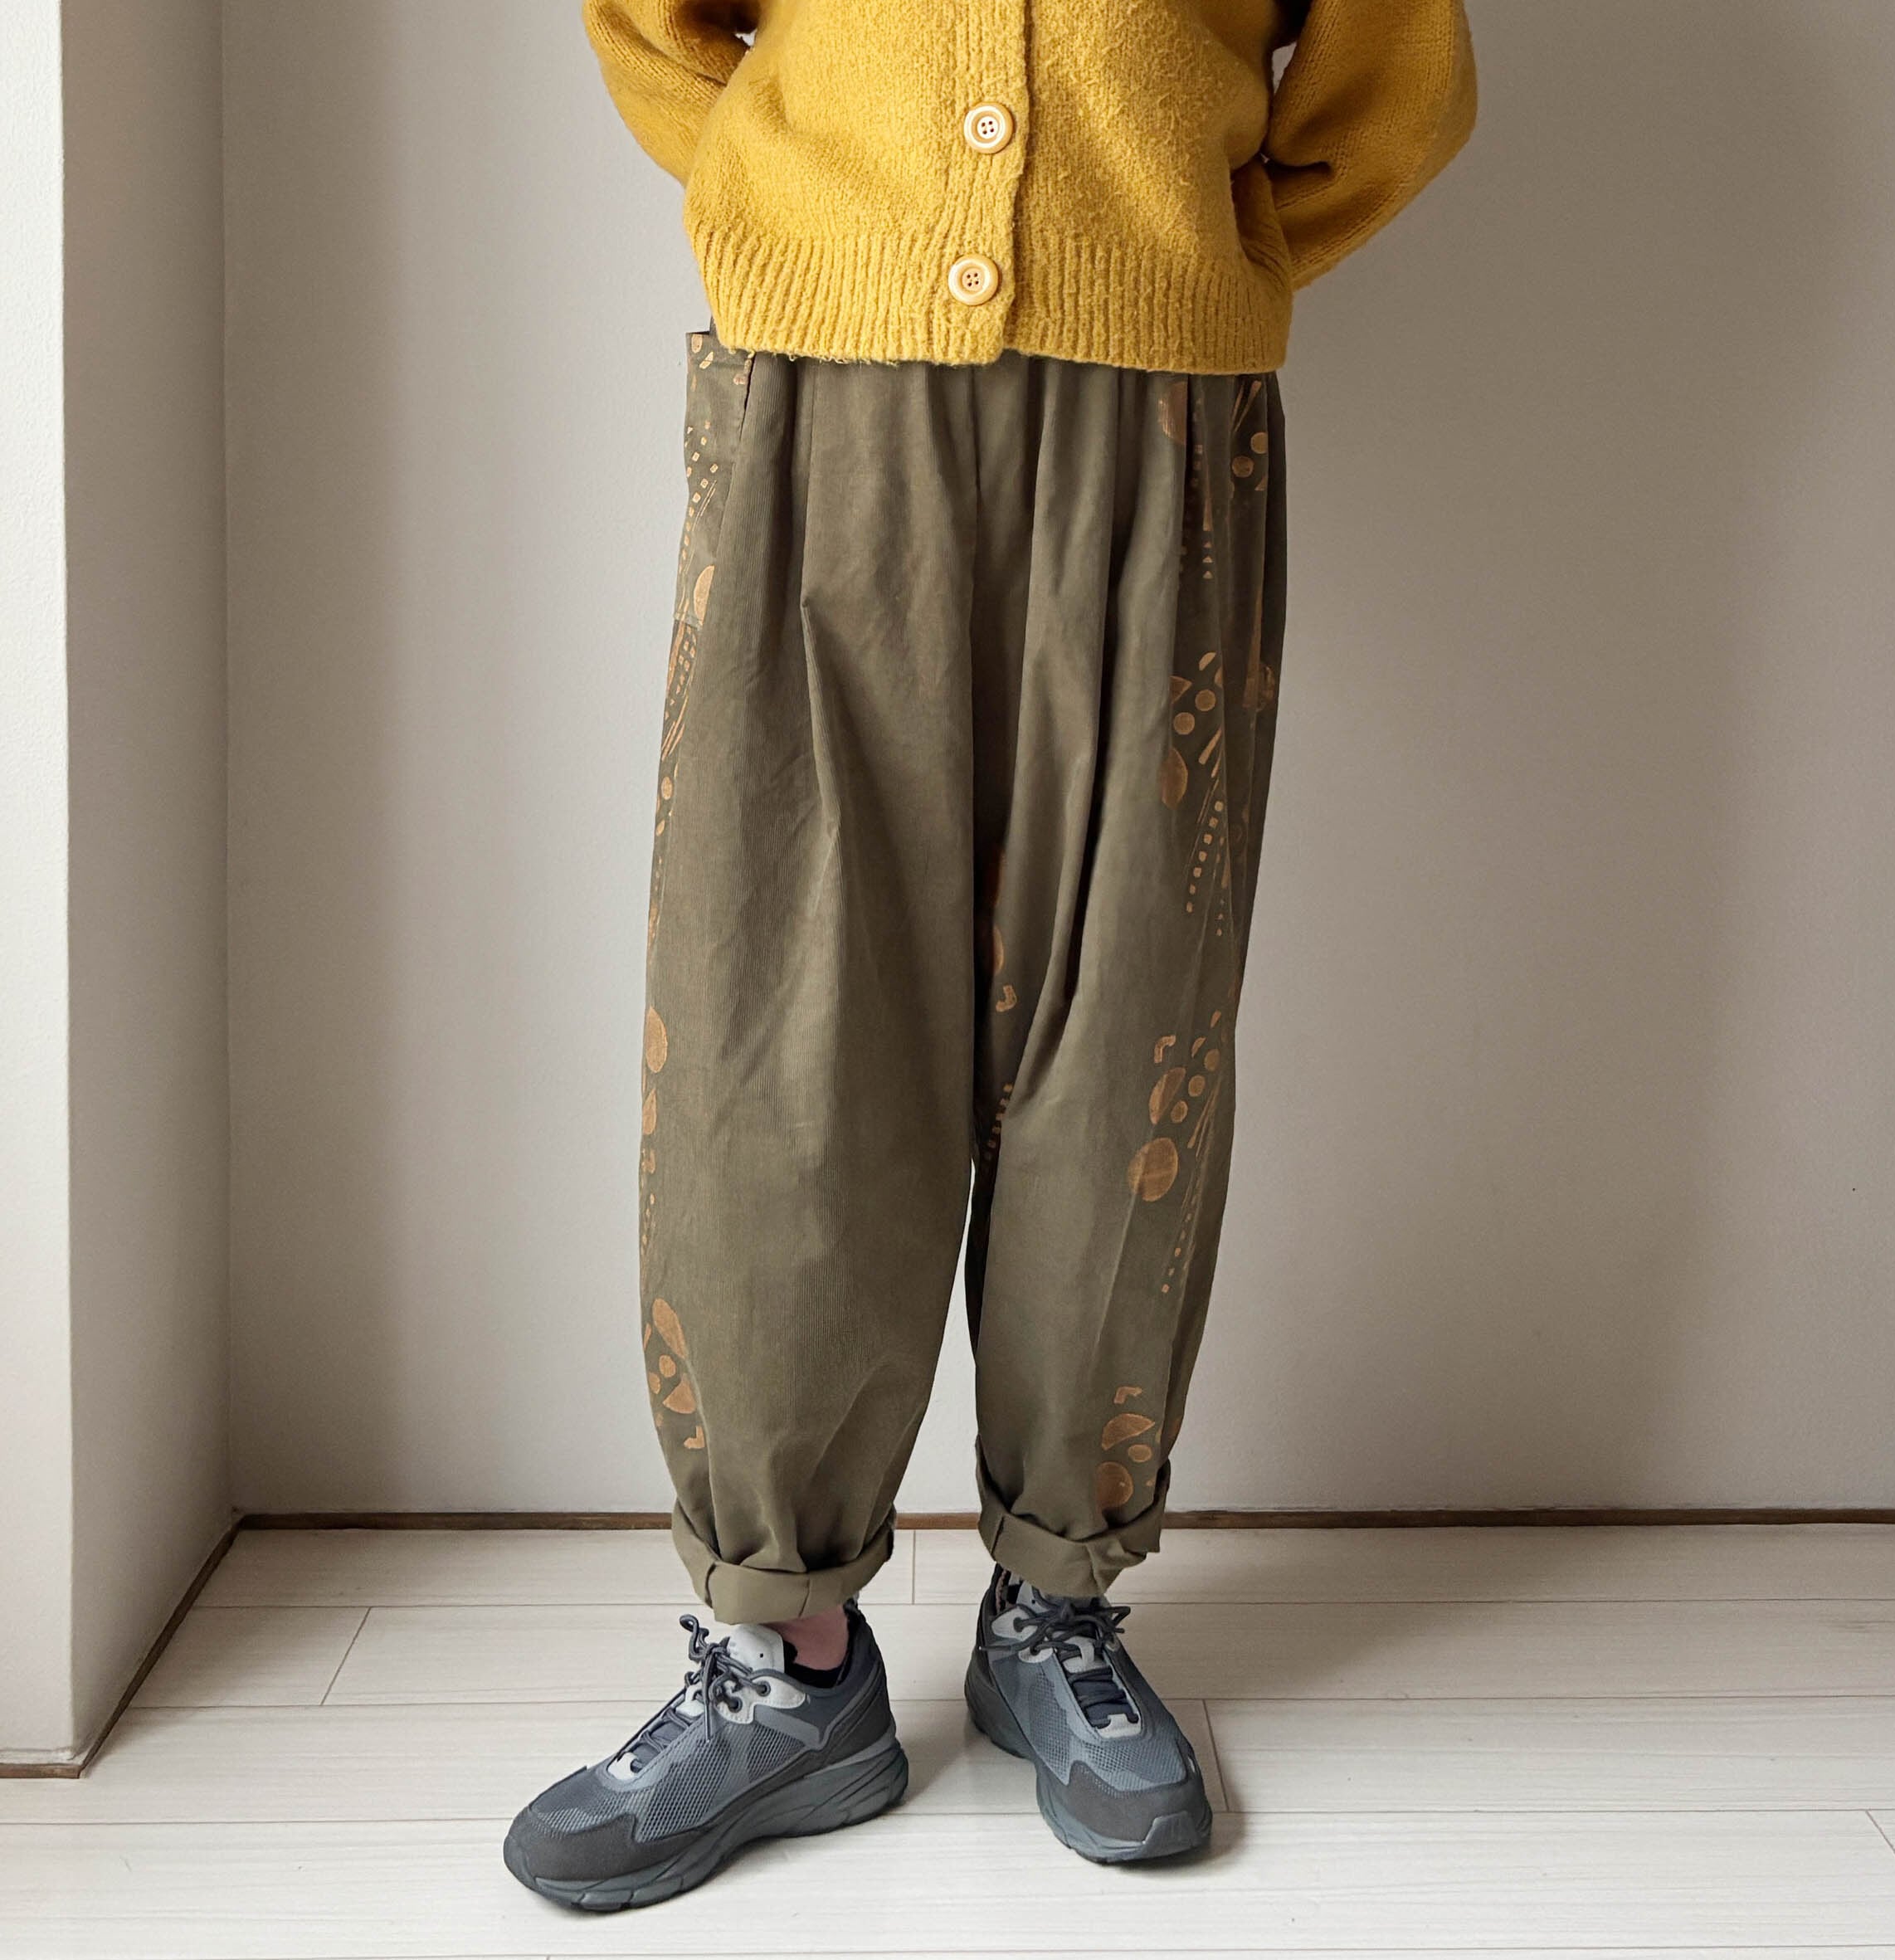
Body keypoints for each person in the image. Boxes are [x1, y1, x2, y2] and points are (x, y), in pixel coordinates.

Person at [504, 0, 1474, 1911]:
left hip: (1158, 412)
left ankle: (1056, 1608)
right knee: (775, 1026)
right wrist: (803, 195)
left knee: (1125, 1026)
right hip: (822, 390)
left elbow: (1391, 83)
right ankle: (782, 1655)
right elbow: (646, 20)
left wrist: (1191, 244)